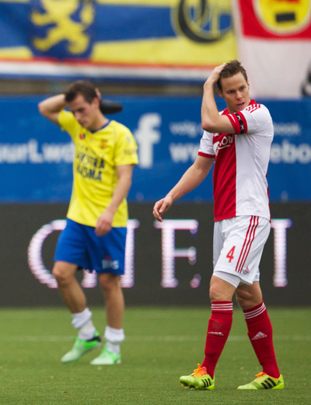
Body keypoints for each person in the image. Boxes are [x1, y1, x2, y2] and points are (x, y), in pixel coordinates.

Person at [153, 60, 283, 390]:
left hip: (249, 217)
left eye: (242, 87)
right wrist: (171, 196)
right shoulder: (219, 126)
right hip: (224, 220)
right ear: (222, 94)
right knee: (248, 297)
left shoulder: (257, 115)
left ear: (248, 87)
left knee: (217, 290)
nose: (239, 94)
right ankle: (272, 373)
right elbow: (200, 168)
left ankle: (206, 371)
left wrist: (206, 84)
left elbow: (209, 120)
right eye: (231, 90)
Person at [38, 81, 138, 365]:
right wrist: (73, 98)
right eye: (73, 111)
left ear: (96, 102)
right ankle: (87, 333)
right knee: (61, 273)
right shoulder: (76, 125)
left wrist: (108, 211)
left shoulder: (121, 135)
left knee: (108, 282)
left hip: (110, 220)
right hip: (78, 218)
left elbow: (125, 178)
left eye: (81, 109)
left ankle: (114, 347)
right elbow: (44, 108)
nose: (77, 116)